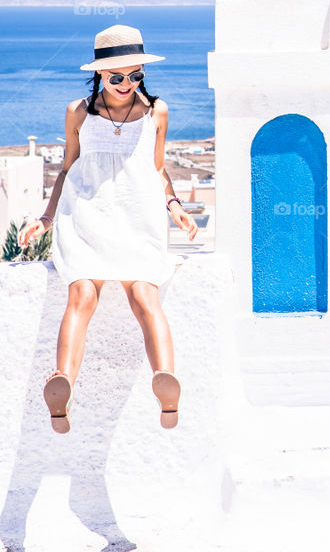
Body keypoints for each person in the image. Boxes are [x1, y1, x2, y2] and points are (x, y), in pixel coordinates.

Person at [17, 23, 199, 433]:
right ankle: (62, 382)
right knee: (82, 292)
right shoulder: (79, 112)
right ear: (100, 73)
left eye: (136, 75)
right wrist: (46, 218)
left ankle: (165, 381)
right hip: (87, 214)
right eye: (118, 77)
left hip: (138, 214)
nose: (128, 84)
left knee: (143, 294)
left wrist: (175, 207)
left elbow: (158, 169)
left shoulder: (157, 111)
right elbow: (67, 169)